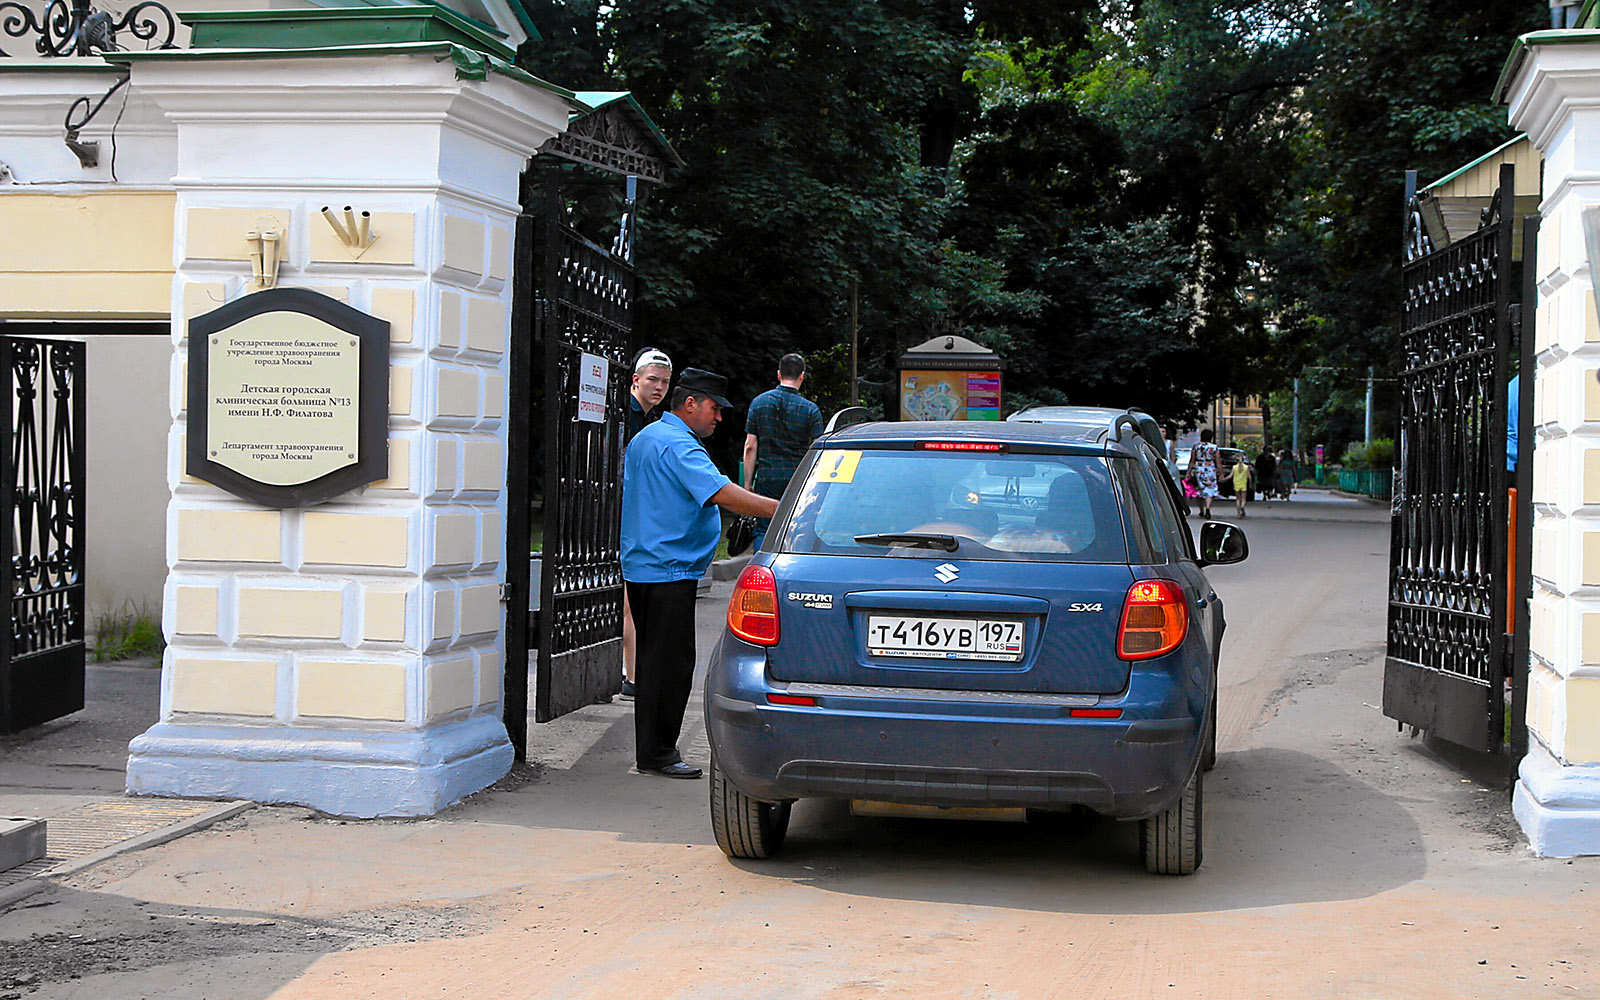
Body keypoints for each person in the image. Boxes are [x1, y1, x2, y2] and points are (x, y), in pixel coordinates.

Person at [622, 368, 779, 778]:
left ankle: (652, 751)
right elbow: (722, 493)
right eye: (714, 408)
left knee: (656, 661)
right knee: (670, 665)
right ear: (690, 404)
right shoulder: (678, 445)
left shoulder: (648, 437)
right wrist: (784, 509)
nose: (719, 417)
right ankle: (658, 754)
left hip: (646, 565)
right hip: (668, 569)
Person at [618, 348, 673, 701]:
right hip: (619, 510)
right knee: (628, 595)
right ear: (636, 379)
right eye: (652, 379)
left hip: (636, 512)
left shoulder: (653, 419)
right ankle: (633, 676)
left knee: (629, 593)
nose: (659, 387)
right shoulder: (626, 414)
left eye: (665, 382)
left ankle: (633, 673)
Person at [743, 353, 825, 550]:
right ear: (802, 376)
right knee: (797, 526)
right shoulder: (810, 410)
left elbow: (750, 446)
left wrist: (747, 484)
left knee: (764, 529)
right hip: (798, 478)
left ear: (779, 374)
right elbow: (818, 450)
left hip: (768, 477)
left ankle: (761, 569)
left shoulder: (759, 403)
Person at [1187, 429, 1222, 518]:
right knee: (1210, 489)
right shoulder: (1214, 447)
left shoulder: (1196, 446)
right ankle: (1208, 508)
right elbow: (1218, 461)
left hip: (1198, 469)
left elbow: (1192, 460)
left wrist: (1188, 472)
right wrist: (1221, 473)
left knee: (1199, 490)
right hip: (1210, 469)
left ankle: (1201, 510)